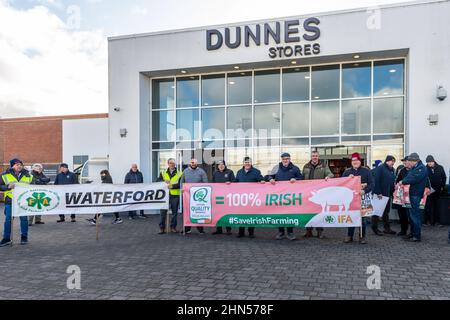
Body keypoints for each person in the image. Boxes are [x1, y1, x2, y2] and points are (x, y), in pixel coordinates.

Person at [268, 153, 304, 241]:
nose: (285, 160)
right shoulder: (276, 168)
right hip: (279, 197)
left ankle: (290, 232)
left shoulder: (295, 168)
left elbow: (301, 178)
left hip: (290, 197)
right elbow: (269, 176)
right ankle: (281, 232)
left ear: (289, 159)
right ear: (281, 159)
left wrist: (296, 179)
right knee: (279, 214)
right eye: (284, 159)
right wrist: (270, 179)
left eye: (287, 159)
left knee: (289, 214)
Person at [0, 159, 33, 247]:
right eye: (17, 164)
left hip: (23, 201)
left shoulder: (28, 175)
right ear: (12, 166)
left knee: (24, 219)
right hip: (10, 200)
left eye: (20, 164)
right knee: (8, 220)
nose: (19, 166)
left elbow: (34, 186)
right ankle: (6, 238)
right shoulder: (4, 175)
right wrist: (7, 186)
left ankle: (24, 237)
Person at [343, 153, 374, 245]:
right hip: (351, 199)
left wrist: (365, 191)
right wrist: (347, 179)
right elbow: (342, 184)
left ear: (360, 161)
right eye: (353, 161)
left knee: (363, 219)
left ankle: (362, 236)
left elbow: (372, 184)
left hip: (363, 198)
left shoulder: (366, 171)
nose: (355, 162)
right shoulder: (347, 172)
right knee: (351, 218)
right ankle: (350, 235)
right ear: (351, 162)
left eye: (356, 160)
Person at [302, 151, 334, 239]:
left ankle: (320, 231)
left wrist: (328, 177)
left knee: (319, 211)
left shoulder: (323, 166)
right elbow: (301, 178)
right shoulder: (306, 166)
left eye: (316, 156)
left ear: (318, 156)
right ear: (311, 157)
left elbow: (330, 174)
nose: (314, 157)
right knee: (308, 212)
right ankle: (308, 231)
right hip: (308, 194)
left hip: (319, 194)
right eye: (313, 156)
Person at [399, 153, 428, 242]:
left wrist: (403, 181)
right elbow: (409, 176)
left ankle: (416, 236)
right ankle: (412, 234)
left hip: (415, 194)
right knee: (411, 215)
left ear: (414, 161)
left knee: (415, 216)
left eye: (409, 161)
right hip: (411, 194)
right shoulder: (415, 168)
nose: (408, 163)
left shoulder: (421, 168)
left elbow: (413, 178)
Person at [235, 157, 265, 238]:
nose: (247, 163)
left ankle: (251, 233)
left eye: (248, 162)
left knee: (251, 215)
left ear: (251, 163)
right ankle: (241, 232)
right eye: (245, 162)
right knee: (241, 215)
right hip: (242, 198)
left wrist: (262, 180)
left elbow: (261, 179)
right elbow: (235, 183)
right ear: (243, 163)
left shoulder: (256, 171)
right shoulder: (239, 172)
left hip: (252, 198)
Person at [181, 158, 208, 234]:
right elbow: (182, 181)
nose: (193, 164)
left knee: (198, 211)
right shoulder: (185, 171)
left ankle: (200, 229)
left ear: (197, 163)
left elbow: (205, 182)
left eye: (194, 163)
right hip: (187, 195)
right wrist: (181, 189)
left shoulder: (201, 171)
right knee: (187, 212)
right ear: (190, 163)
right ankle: (187, 228)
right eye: (192, 162)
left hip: (198, 196)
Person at [371, 156, 397, 236]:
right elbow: (376, 180)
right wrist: (378, 192)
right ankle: (375, 228)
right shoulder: (380, 168)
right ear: (387, 161)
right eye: (391, 161)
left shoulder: (392, 170)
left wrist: (393, 190)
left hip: (388, 194)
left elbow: (392, 181)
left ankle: (387, 228)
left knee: (386, 212)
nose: (392, 163)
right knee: (377, 212)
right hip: (380, 194)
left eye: (394, 161)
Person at [157, 158, 182, 234]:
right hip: (165, 195)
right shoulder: (163, 172)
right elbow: (157, 181)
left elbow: (181, 184)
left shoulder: (179, 173)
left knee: (174, 213)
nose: (172, 164)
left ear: (175, 164)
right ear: (168, 164)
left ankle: (173, 228)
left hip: (175, 195)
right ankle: (162, 228)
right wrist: (163, 182)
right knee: (162, 212)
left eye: (173, 163)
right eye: (170, 163)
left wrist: (172, 186)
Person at [212, 160, 235, 236]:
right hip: (218, 197)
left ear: (225, 165)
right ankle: (219, 229)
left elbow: (235, 182)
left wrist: (230, 183)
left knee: (227, 213)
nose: (221, 166)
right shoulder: (215, 173)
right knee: (218, 213)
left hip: (227, 197)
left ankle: (228, 229)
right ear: (217, 166)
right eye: (219, 164)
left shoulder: (230, 172)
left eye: (222, 164)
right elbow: (212, 184)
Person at [424, 155, 447, 226]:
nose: (429, 163)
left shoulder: (440, 167)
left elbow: (444, 177)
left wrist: (442, 186)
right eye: (428, 162)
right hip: (428, 191)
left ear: (434, 161)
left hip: (437, 190)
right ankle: (428, 221)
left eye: (431, 162)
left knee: (437, 206)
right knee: (428, 206)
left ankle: (437, 221)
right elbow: (423, 179)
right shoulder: (425, 169)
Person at [393, 157, 410, 236]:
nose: (404, 163)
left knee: (410, 214)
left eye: (406, 161)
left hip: (411, 196)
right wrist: (397, 185)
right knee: (402, 213)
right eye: (403, 162)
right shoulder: (401, 170)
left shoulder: (414, 170)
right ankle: (403, 230)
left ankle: (413, 232)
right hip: (402, 195)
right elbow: (396, 181)